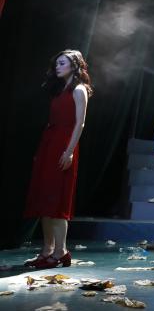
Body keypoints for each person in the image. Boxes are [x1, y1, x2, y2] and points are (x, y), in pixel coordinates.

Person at [23, 50, 93, 269]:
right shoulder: (59, 89)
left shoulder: (79, 90)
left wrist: (69, 151)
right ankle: (47, 250)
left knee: (58, 199)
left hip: (64, 143)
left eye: (62, 63)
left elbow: (80, 123)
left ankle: (61, 252)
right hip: (50, 142)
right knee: (45, 198)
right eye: (57, 63)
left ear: (74, 66)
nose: (57, 66)